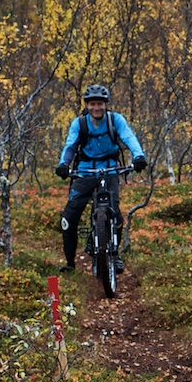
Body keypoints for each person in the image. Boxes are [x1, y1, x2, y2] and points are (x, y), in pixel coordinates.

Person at [54, 84, 148, 272]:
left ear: (105, 104)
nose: (96, 108)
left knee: (115, 215)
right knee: (69, 218)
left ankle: (114, 253)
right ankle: (70, 263)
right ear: (87, 105)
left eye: (100, 104)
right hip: (84, 172)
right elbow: (70, 146)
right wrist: (64, 164)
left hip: (110, 170)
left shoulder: (116, 120)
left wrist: (138, 156)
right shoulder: (79, 124)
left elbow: (129, 138)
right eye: (92, 104)